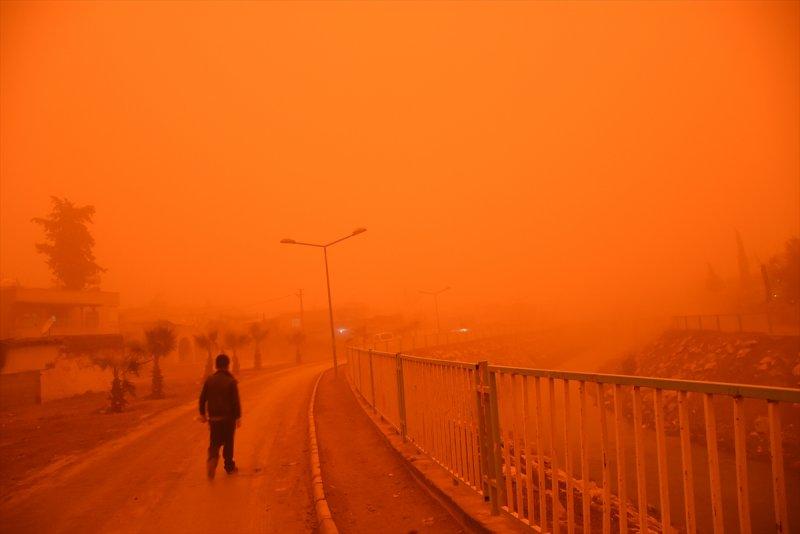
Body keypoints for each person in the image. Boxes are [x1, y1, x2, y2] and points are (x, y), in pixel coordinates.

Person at [199, 353, 242, 478]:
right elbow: (235, 401)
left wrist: (202, 414)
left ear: (216, 365)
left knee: (214, 442)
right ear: (228, 365)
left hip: (214, 418)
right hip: (228, 419)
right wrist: (238, 417)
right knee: (228, 442)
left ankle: (212, 458)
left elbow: (202, 399)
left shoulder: (209, 380)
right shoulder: (231, 381)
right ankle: (229, 466)